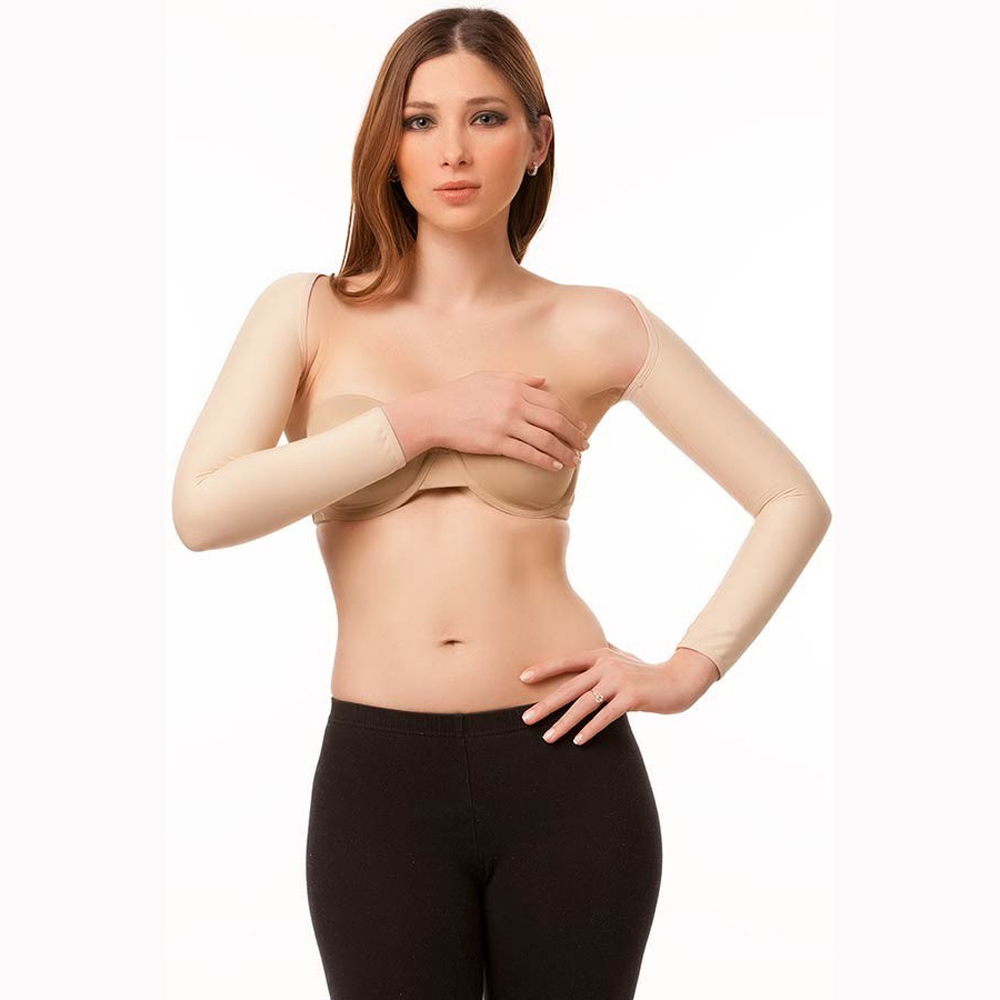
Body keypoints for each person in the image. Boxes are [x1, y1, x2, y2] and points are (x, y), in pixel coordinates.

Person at [171, 8, 831, 999]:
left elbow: (789, 498)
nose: (452, 150)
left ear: (537, 140)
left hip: (565, 766)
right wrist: (421, 420)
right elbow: (202, 511)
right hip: (379, 775)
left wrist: (687, 669)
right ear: (386, 142)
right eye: (420, 120)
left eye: (485, 117)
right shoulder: (307, 312)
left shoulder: (593, 323)